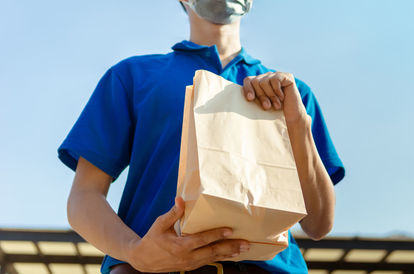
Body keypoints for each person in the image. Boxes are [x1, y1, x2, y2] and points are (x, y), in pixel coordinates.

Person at [58, 0, 345, 273]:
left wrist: (298, 125)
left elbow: (318, 225)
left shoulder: (289, 93)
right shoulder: (132, 76)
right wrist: (135, 251)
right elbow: (84, 196)